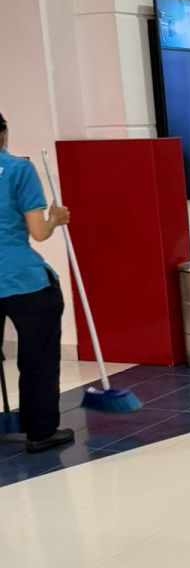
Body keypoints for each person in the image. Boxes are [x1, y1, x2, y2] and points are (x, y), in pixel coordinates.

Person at [0, 114, 74, 453]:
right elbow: (39, 232)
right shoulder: (19, 169)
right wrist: (55, 218)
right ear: (4, 133)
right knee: (37, 358)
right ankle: (40, 432)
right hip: (24, 281)